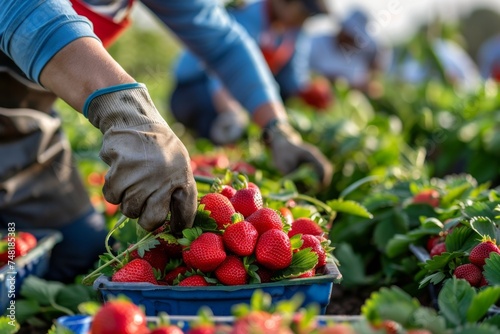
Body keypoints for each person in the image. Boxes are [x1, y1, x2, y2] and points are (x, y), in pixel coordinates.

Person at [0, 0, 332, 281]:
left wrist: (277, 128)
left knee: (79, 252)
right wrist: (127, 111)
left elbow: (223, 41)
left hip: (22, 119)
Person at [170, 0, 334, 146]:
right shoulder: (244, 15)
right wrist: (231, 112)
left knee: (280, 97)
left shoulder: (293, 31)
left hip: (235, 90)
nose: (302, 22)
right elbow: (225, 64)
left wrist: (307, 93)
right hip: (195, 89)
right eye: (302, 14)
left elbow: (291, 78)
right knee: (218, 123)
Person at [308, 9, 384, 92]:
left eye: (353, 39)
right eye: (349, 36)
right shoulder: (316, 42)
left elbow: (360, 84)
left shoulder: (357, 60)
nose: (351, 41)